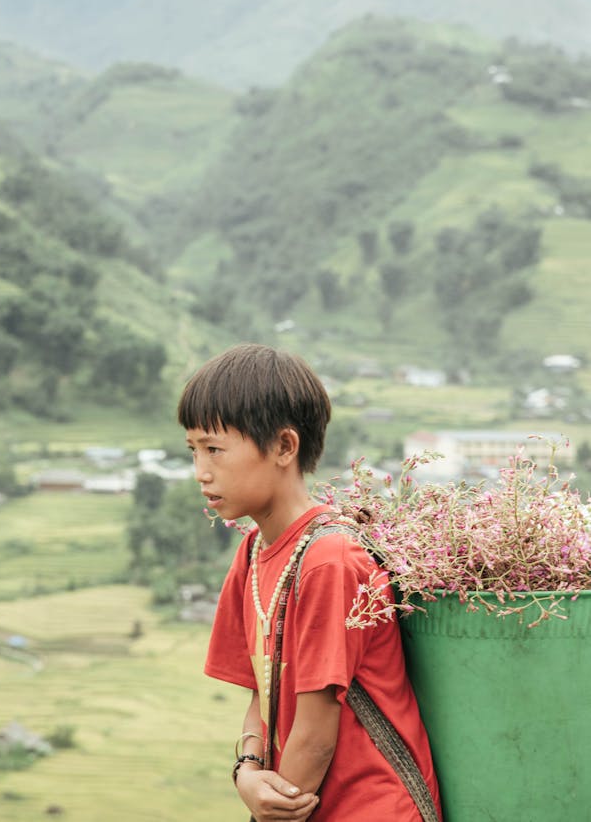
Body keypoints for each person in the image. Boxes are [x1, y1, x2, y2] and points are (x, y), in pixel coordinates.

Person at [178, 343, 441, 822]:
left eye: (214, 449)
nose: (201, 472)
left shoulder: (329, 560)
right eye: (193, 450)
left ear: (283, 446)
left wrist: (267, 811)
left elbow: (316, 736)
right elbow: (263, 691)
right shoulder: (254, 551)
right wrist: (247, 772)